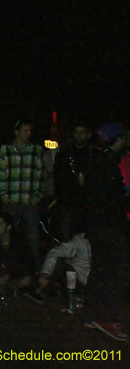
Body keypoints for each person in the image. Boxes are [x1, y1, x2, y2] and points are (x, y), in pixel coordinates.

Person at [81, 122, 129, 341]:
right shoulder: (106, 163)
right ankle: (108, 318)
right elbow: (113, 199)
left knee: (100, 269)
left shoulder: (95, 160)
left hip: (98, 225)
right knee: (117, 270)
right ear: (118, 139)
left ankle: (93, 315)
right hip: (109, 225)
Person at [0, 119, 44, 270]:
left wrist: (37, 198)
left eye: (30, 131)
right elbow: (1, 174)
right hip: (11, 202)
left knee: (32, 238)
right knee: (6, 236)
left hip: (28, 203)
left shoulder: (36, 150)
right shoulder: (6, 149)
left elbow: (41, 175)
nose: (28, 134)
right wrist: (3, 195)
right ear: (17, 132)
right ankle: (3, 268)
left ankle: (33, 270)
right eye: (25, 131)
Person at [52, 123, 95, 241]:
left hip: (88, 204)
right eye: (77, 132)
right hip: (68, 203)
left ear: (88, 135)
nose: (79, 136)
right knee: (66, 240)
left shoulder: (94, 155)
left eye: (82, 133)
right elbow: (57, 178)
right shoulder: (64, 155)